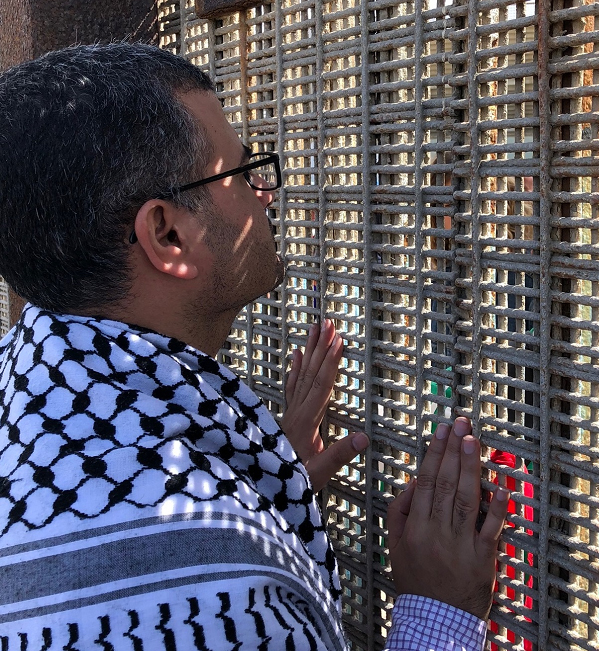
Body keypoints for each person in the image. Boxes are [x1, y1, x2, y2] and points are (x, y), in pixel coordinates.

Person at [0, 43, 510, 650]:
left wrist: (261, 488)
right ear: (167, 233)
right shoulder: (210, 599)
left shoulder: (36, 387)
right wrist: (441, 614)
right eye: (242, 173)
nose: (264, 193)